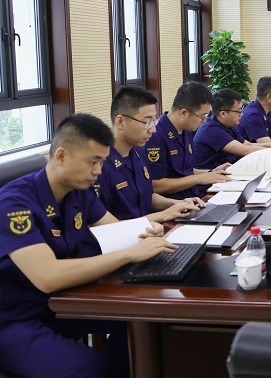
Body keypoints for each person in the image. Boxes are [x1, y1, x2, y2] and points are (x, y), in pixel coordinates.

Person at [0, 114, 177, 377]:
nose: (98, 171)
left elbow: (116, 229)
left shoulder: (79, 192)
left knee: (140, 321)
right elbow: (48, 276)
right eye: (92, 162)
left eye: (102, 162)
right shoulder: (14, 203)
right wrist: (130, 253)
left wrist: (147, 231)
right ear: (61, 156)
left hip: (59, 303)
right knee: (88, 368)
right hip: (14, 318)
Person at [96, 87, 203, 223]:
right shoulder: (99, 165)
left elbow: (147, 196)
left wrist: (178, 204)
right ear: (120, 122)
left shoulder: (138, 151)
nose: (153, 130)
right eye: (147, 122)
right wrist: (163, 215)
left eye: (154, 121)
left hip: (151, 229)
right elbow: (104, 226)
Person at [145, 82, 232, 200]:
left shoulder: (186, 129)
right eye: (202, 116)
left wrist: (211, 172)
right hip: (174, 203)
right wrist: (198, 179)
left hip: (193, 198)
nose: (204, 121)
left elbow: (185, 171)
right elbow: (155, 185)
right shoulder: (156, 136)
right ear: (184, 113)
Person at [193, 88, 271, 169]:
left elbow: (248, 144)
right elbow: (245, 150)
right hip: (211, 175)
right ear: (223, 114)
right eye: (238, 111)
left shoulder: (227, 125)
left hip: (226, 172)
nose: (241, 114)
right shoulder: (211, 130)